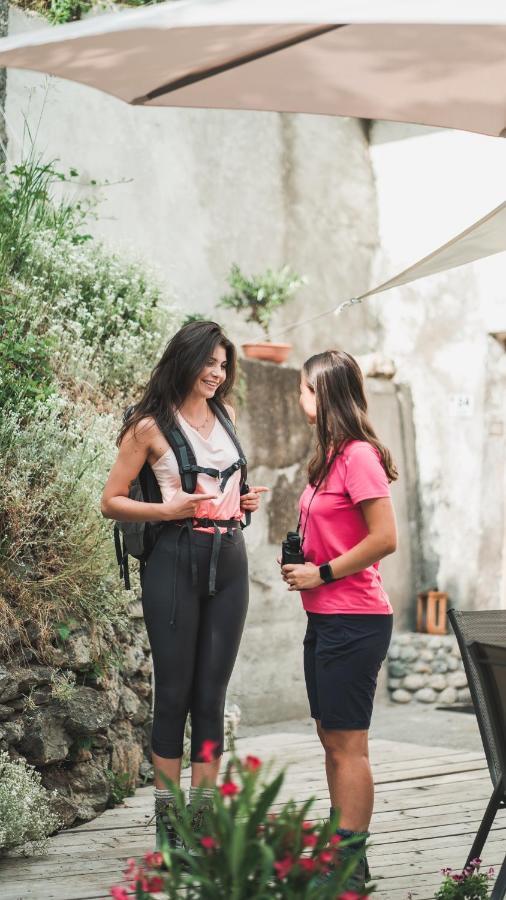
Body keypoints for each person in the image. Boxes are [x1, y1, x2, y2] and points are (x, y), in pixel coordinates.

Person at [101, 320, 268, 848]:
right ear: (186, 359)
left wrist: (245, 503)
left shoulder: (228, 415)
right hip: (173, 557)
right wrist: (165, 508)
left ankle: (203, 823)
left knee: (212, 695)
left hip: (230, 555)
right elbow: (111, 500)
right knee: (173, 693)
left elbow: (228, 487)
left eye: (224, 365)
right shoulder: (148, 425)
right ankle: (169, 827)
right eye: (210, 363)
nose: (218, 374)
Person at [281, 349, 397, 891]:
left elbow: (384, 539)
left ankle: (351, 862)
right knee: (331, 736)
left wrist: (321, 573)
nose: (299, 397)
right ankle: (338, 843)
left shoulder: (357, 456)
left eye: (304, 388)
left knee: (350, 744)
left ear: (323, 394)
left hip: (355, 618)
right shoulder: (328, 456)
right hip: (326, 617)